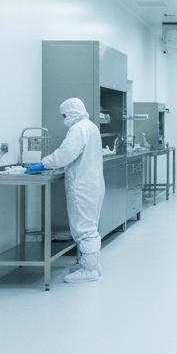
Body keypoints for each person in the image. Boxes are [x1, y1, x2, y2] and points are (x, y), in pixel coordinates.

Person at [26, 97, 105, 283]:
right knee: (89, 225)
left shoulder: (78, 129)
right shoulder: (91, 126)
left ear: (70, 112)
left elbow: (65, 154)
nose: (64, 118)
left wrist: (43, 164)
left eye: (64, 115)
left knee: (84, 228)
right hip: (92, 183)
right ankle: (91, 263)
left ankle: (90, 269)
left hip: (82, 186)